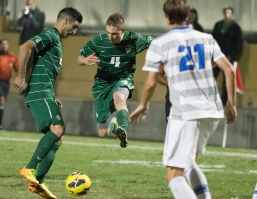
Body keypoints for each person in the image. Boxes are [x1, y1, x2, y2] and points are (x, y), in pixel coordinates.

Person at [129, 0, 236, 198]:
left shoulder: (160, 43)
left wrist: (143, 104)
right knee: (188, 164)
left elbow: (151, 82)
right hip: (211, 111)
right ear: (188, 15)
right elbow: (228, 70)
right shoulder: (207, 38)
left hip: (185, 113)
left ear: (166, 16)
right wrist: (231, 104)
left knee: (173, 175)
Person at [14, 7, 83, 199]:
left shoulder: (56, 42)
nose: (74, 31)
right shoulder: (51, 35)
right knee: (58, 128)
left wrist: (52, 96)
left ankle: (38, 183)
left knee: (57, 138)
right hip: (38, 92)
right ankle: (30, 168)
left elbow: (45, 70)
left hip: (45, 93)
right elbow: (25, 47)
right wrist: (21, 77)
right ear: (66, 21)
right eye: (74, 27)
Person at [77, 12, 153, 148]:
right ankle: (115, 124)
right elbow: (80, 57)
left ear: (123, 31)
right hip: (102, 84)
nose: (110, 37)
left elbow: (153, 43)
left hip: (123, 79)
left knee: (119, 97)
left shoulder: (133, 39)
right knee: (102, 132)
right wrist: (84, 60)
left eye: (114, 34)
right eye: (108, 33)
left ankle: (122, 128)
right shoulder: (98, 41)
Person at [212, 6, 242, 106]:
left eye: (229, 13)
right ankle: (211, 97)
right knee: (212, 77)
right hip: (217, 57)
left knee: (227, 80)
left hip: (229, 58)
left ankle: (224, 101)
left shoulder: (236, 28)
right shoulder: (218, 25)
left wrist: (232, 56)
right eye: (226, 13)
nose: (227, 15)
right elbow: (213, 39)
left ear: (232, 14)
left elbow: (238, 44)